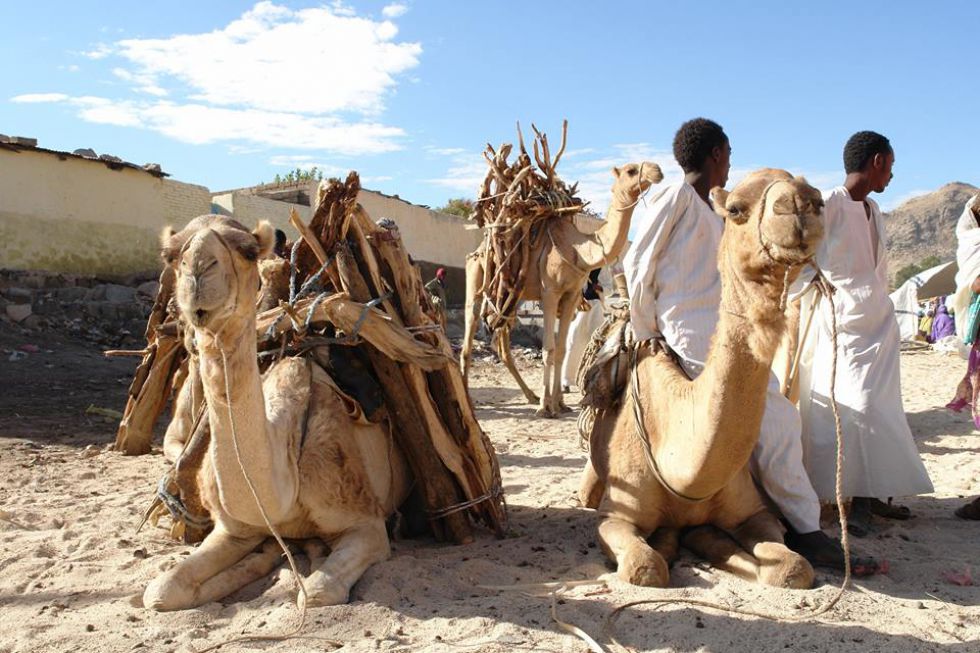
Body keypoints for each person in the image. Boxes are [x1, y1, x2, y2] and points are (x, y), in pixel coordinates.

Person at [624, 118, 852, 570]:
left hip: (733, 329)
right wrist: (647, 332)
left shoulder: (721, 212)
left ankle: (775, 515)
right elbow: (638, 260)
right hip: (687, 334)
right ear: (717, 154)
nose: (729, 165)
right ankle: (806, 529)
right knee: (777, 421)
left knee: (775, 417)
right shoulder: (671, 198)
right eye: (728, 155)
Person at [795, 131, 933, 537]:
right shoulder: (829, 205)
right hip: (843, 327)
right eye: (890, 165)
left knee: (882, 408)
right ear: (876, 161)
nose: (891, 175)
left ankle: (873, 495)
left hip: (879, 327)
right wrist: (824, 291)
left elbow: (878, 269)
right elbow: (802, 261)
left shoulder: (874, 209)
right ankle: (847, 498)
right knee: (852, 407)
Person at [561, 268, 605, 392]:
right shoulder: (577, 264)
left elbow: (609, 286)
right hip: (577, 306)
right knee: (573, 341)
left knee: (596, 341)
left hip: (595, 307)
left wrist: (599, 289)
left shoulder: (601, 266)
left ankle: (594, 379)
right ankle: (566, 380)